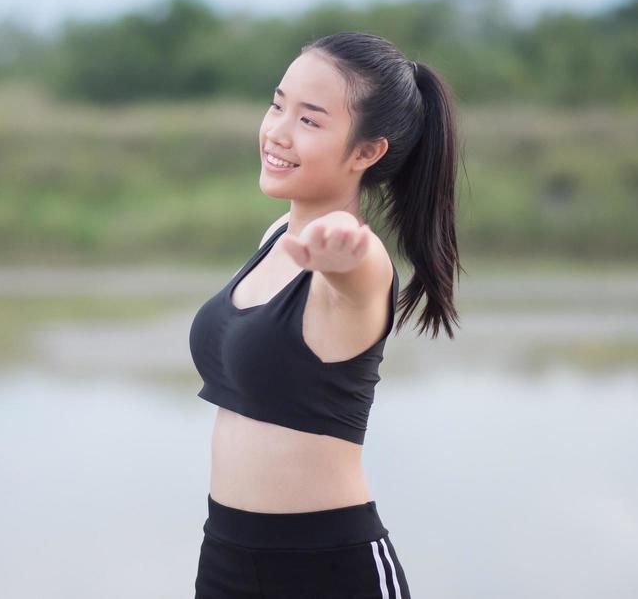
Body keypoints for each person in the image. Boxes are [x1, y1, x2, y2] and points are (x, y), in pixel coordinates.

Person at [189, 31, 463, 598]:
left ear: (367, 152)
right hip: (225, 558)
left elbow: (356, 272)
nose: (277, 131)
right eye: (277, 104)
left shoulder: (363, 267)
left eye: (310, 121)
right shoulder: (273, 239)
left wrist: (347, 247)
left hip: (329, 571)